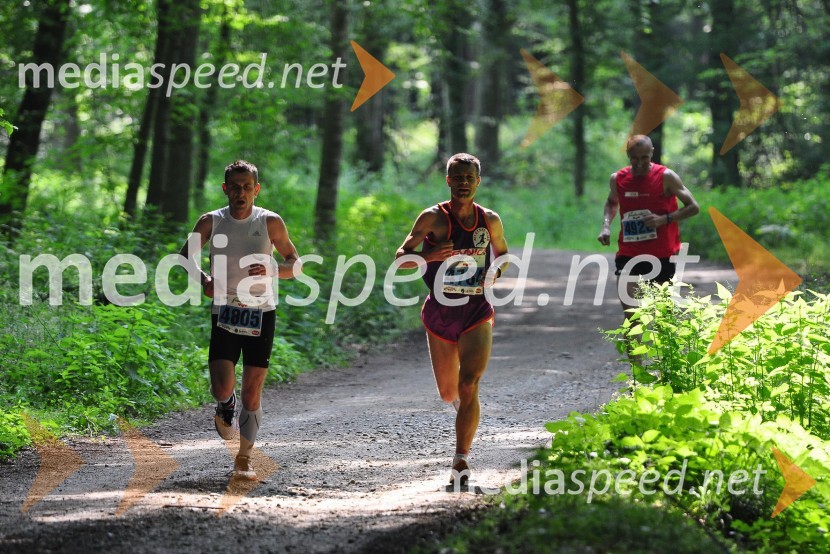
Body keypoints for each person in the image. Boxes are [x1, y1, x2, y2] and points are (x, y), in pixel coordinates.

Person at [180, 160, 301, 481]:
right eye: (234, 187)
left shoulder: (270, 222)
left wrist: (273, 269)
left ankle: (244, 458)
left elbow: (295, 264)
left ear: (256, 189)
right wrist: (204, 279)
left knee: (252, 393)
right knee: (222, 386)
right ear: (225, 189)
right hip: (225, 309)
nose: (240, 193)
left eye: (247, 187)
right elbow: (185, 256)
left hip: (261, 312)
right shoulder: (211, 221)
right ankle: (225, 404)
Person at [395, 153, 509, 486]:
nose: (463, 183)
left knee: (469, 383)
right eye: (457, 178)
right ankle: (465, 409)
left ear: (478, 182)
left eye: (469, 178)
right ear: (448, 181)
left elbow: (503, 255)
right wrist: (430, 255)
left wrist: (495, 272)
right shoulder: (433, 217)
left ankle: (461, 460)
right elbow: (401, 257)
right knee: (449, 393)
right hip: (441, 312)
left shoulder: (490, 220)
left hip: (477, 310)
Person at [597, 134, 700, 319]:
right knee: (632, 318)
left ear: (652, 153)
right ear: (628, 155)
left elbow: (693, 207)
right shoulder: (617, 179)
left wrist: (664, 219)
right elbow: (611, 203)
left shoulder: (666, 177)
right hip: (629, 254)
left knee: (663, 319)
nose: (639, 163)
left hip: (661, 254)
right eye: (634, 158)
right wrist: (606, 226)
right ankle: (635, 338)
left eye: (644, 157)